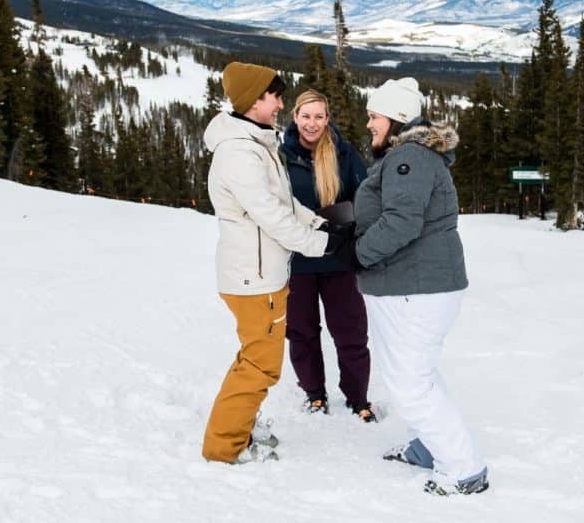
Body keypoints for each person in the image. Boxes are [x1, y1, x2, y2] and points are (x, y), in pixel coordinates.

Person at [337, 76, 489, 496]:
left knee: (410, 383)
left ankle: (463, 469)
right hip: (405, 285)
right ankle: (431, 446)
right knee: (416, 375)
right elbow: (386, 205)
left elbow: (403, 220)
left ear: (396, 117)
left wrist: (358, 254)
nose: (368, 124)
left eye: (374, 116)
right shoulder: (404, 155)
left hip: (418, 288)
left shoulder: (411, 157)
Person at [201, 62, 348, 464]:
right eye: (275, 96)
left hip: (263, 274)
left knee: (255, 359)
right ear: (254, 101)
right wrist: (322, 245)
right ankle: (224, 447)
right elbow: (271, 216)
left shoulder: (257, 145)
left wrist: (321, 224)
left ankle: (240, 428)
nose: (282, 103)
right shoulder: (240, 154)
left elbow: (286, 203)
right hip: (253, 278)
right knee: (259, 366)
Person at [280, 89, 376, 422]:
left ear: (327, 118)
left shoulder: (344, 154)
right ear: (295, 117)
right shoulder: (281, 157)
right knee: (302, 332)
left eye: (319, 116)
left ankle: (357, 396)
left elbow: (364, 198)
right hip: (297, 261)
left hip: (338, 258)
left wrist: (353, 236)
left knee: (350, 331)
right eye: (306, 116)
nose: (312, 123)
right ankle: (315, 393)